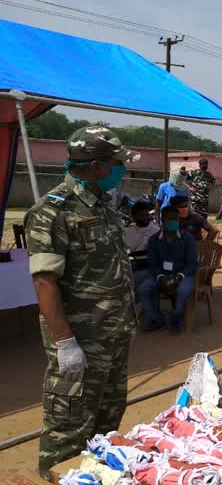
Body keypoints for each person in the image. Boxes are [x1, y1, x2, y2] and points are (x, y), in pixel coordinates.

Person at [23, 126, 141, 479]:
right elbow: (45, 281)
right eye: (117, 163)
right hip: (80, 344)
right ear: (94, 166)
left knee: (106, 427)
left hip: (112, 338)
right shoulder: (51, 212)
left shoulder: (103, 205)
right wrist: (66, 343)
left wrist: (126, 323)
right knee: (69, 430)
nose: (122, 169)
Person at [137, 205, 197, 334]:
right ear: (162, 220)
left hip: (183, 275)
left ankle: (176, 318)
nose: (174, 222)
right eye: (170, 219)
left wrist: (179, 276)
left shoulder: (187, 239)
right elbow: (152, 264)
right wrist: (161, 277)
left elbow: (192, 264)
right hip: (162, 275)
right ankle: (157, 319)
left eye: (176, 219)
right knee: (143, 290)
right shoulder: (154, 240)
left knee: (183, 290)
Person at [123, 200, 160, 286]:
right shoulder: (127, 232)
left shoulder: (156, 231)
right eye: (141, 216)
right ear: (134, 217)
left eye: (147, 215)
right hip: (132, 265)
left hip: (149, 265)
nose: (145, 218)